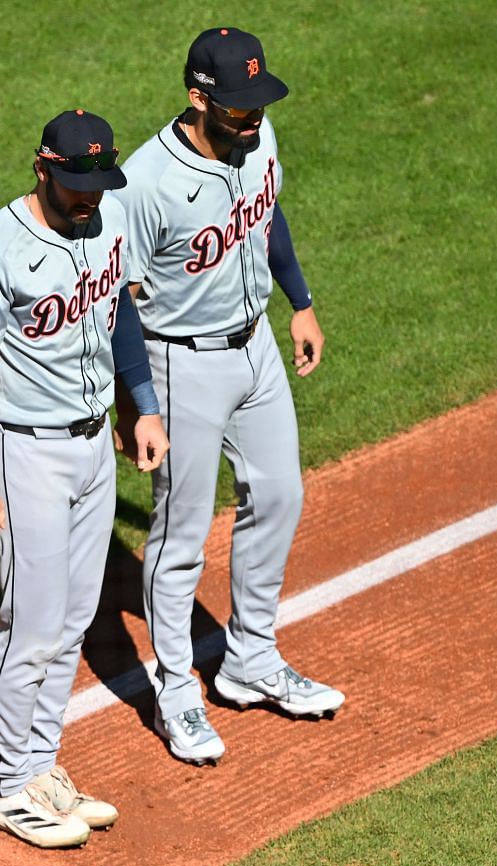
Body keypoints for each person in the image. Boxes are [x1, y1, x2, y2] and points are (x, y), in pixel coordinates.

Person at [0, 109, 170, 849]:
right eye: (74, 183)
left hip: (93, 444)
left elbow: (120, 316)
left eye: (97, 184)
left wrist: (143, 406)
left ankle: (38, 763)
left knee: (74, 615)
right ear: (41, 166)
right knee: (32, 622)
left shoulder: (104, 221)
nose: (87, 198)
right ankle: (8, 786)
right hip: (23, 454)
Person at [120, 28, 344, 766]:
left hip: (256, 350)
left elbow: (265, 211)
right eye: (238, 108)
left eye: (257, 104)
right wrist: (138, 401)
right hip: (181, 365)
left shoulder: (257, 135)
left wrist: (300, 301)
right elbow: (118, 299)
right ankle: (177, 694)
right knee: (180, 534)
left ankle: (250, 659)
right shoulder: (147, 182)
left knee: (279, 495)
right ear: (197, 97)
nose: (251, 118)